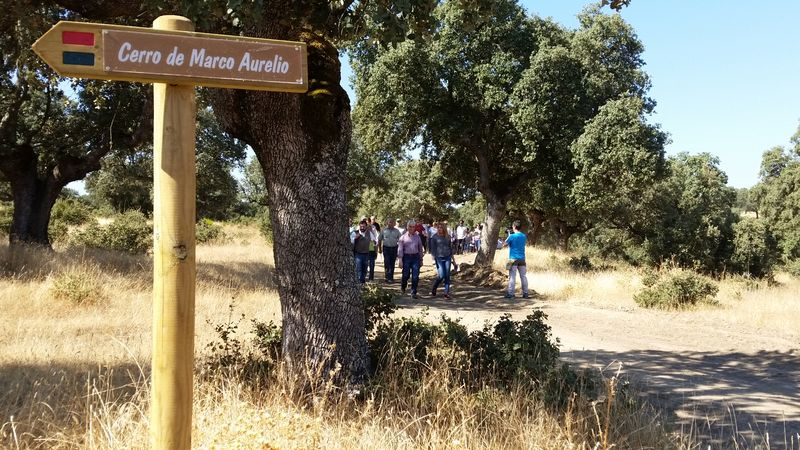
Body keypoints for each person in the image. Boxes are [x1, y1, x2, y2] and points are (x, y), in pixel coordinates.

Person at [429, 221, 458, 298]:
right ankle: (434, 288)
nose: (439, 229)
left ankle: (446, 292)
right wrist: (433, 259)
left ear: (444, 228)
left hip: (447, 257)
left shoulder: (447, 237)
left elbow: (450, 249)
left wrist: (454, 261)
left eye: (441, 227)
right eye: (438, 227)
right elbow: (432, 249)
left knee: (447, 275)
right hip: (439, 258)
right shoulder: (434, 237)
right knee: (441, 275)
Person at [501, 220, 529, 299]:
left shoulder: (512, 236)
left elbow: (504, 245)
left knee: (512, 276)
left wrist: (508, 235)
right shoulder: (523, 236)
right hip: (522, 258)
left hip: (512, 258)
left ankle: (511, 293)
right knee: (523, 276)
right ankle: (525, 293)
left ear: (514, 227)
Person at [398, 220, 424, 299]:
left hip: (415, 257)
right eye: (410, 227)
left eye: (413, 227)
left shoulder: (417, 237)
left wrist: (421, 259)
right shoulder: (402, 237)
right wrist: (400, 260)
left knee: (415, 276)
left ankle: (413, 292)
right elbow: (400, 249)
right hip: (406, 257)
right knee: (406, 275)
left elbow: (420, 248)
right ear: (407, 227)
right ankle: (403, 286)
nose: (412, 228)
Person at [351, 219, 377, 284]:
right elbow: (350, 241)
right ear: (359, 226)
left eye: (363, 226)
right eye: (361, 226)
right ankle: (359, 283)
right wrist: (354, 238)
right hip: (358, 254)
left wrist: (373, 243)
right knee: (359, 269)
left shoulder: (369, 233)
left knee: (365, 269)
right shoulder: (355, 233)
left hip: (366, 254)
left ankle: (362, 282)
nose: (362, 228)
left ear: (366, 226)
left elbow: (374, 242)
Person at [379, 218, 401, 282]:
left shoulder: (397, 231)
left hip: (394, 248)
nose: (390, 223)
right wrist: (380, 249)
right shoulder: (383, 230)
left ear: (394, 223)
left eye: (392, 222)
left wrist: (400, 249)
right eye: (389, 222)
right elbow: (379, 239)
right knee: (387, 262)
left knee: (392, 263)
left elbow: (400, 240)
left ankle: (391, 277)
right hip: (386, 248)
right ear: (387, 223)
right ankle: (387, 277)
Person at [367, 216, 381, 281]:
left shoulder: (373, 228)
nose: (367, 223)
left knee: (372, 263)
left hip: (371, 245)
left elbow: (377, 237)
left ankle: (371, 278)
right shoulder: (361, 228)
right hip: (363, 247)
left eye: (368, 221)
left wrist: (376, 248)